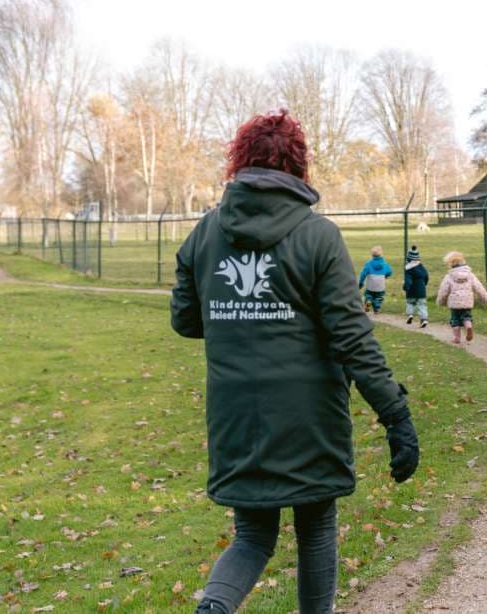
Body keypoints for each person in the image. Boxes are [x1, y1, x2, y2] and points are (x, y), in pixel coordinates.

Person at [170, 109, 419, 614]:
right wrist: (396, 415)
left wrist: (237, 313)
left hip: (237, 414)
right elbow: (353, 339)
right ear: (297, 166)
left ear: (238, 162)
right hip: (309, 415)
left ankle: (213, 607)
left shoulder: (204, 234)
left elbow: (186, 319)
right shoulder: (317, 237)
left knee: (253, 536)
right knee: (316, 529)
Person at [435, 251, 487, 345]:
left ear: (450, 263)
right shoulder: (470, 275)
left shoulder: (449, 276)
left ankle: (457, 337)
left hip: (454, 303)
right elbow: (478, 287)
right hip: (467, 301)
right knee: (467, 317)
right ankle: (468, 326)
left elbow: (443, 290)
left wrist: (440, 301)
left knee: (455, 320)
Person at [358, 246, 394, 313]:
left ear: (372, 255)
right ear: (382, 254)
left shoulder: (368, 264)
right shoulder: (385, 265)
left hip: (370, 286)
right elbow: (390, 272)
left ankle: (368, 300)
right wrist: (386, 275)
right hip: (380, 286)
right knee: (379, 297)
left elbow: (363, 274)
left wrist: (360, 283)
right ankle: (376, 309)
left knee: (368, 294)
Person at [403, 244, 429, 327]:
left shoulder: (408, 269)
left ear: (408, 258)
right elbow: (426, 276)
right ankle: (424, 319)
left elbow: (408, 280)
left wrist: (406, 287)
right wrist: (425, 284)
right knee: (422, 305)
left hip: (411, 290)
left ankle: (410, 315)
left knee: (410, 303)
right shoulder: (421, 267)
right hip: (421, 290)